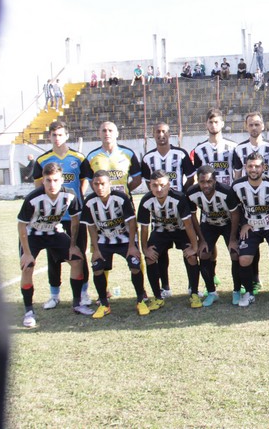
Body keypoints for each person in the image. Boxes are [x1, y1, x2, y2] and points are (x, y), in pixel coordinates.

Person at [17, 162, 92, 327]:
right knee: (27, 266)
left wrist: (73, 245)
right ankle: (29, 312)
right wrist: (27, 253)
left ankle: (77, 303)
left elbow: (75, 220)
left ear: (62, 180)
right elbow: (21, 225)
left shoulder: (70, 195)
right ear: (43, 180)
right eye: (48, 180)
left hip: (54, 231)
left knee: (77, 259)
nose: (52, 184)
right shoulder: (33, 198)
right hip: (32, 234)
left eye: (56, 180)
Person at [81, 170, 157, 318]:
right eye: (96, 184)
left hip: (125, 240)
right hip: (104, 240)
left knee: (135, 264)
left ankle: (140, 300)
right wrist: (95, 249)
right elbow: (91, 227)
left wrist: (132, 246)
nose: (99, 187)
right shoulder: (89, 202)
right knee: (97, 267)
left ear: (109, 183)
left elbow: (132, 223)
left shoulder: (121, 198)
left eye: (103, 183)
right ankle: (104, 304)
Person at [32, 120, 91, 309]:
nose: (57, 138)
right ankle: (54, 295)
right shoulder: (42, 160)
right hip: (53, 217)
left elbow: (84, 180)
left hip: (75, 215)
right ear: (49, 136)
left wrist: (77, 199)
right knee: (53, 257)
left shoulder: (78, 158)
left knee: (79, 253)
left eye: (60, 135)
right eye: (54, 135)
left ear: (66, 135)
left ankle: (84, 293)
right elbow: (38, 187)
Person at [141, 122, 196, 297]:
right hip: (160, 218)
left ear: (169, 134)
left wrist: (181, 194)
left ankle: (192, 288)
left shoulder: (181, 154)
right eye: (157, 132)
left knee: (189, 251)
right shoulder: (148, 158)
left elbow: (190, 178)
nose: (161, 135)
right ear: (153, 134)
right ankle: (165, 288)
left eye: (164, 131)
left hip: (180, 210)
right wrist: (158, 194)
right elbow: (147, 182)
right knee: (160, 252)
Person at [231, 152, 269, 306]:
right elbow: (235, 208)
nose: (253, 169)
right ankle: (249, 293)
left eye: (257, 166)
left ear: (263, 167)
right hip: (251, 227)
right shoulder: (237, 186)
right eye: (250, 166)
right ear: (245, 167)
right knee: (244, 259)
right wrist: (243, 223)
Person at [137, 169, 202, 308]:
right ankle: (158, 297)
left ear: (168, 185)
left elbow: (188, 224)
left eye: (162, 185)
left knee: (191, 256)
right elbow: (144, 228)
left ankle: (194, 293)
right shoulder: (146, 200)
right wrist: (145, 249)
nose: (159, 189)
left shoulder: (179, 198)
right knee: (150, 257)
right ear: (150, 186)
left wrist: (194, 247)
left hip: (181, 230)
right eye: (155, 185)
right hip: (161, 231)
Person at [187, 165, 241, 306]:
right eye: (202, 182)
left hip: (228, 223)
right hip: (209, 224)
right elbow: (193, 216)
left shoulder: (226, 191)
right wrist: (201, 239)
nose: (206, 185)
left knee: (235, 253)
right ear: (197, 181)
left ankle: (236, 290)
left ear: (215, 181)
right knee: (203, 253)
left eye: (209, 181)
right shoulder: (191, 193)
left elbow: (235, 214)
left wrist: (233, 239)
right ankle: (211, 292)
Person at [81, 121, 142, 198]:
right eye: (104, 130)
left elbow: (137, 180)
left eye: (110, 130)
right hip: (102, 201)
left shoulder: (128, 154)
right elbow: (90, 181)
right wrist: (101, 192)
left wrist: (124, 191)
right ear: (99, 134)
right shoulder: (91, 156)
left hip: (124, 200)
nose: (107, 133)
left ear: (117, 134)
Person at [192, 108, 238, 187]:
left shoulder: (233, 147)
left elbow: (238, 172)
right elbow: (197, 175)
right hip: (208, 191)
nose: (213, 125)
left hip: (228, 191)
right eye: (210, 122)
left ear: (222, 124)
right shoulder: (199, 150)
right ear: (206, 124)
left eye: (216, 122)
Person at [232, 112, 269, 180]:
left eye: (257, 124)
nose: (254, 128)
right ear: (246, 127)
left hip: (268, 186)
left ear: (262, 126)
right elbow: (237, 176)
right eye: (251, 125)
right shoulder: (239, 149)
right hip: (247, 186)